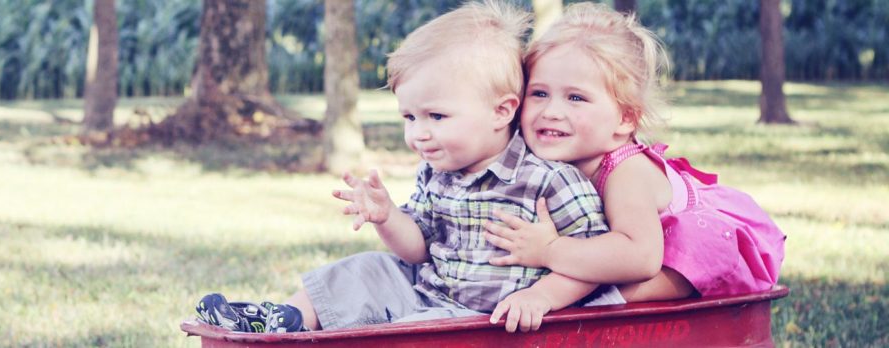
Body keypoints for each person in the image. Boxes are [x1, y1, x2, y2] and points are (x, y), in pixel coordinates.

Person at [195, 0, 616, 334]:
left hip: (483, 323)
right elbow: (417, 248)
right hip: (425, 292)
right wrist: (388, 218)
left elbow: (595, 266)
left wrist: (542, 296)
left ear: (501, 111)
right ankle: (286, 318)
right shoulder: (437, 170)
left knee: (411, 333)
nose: (418, 134)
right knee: (367, 267)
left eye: (436, 117)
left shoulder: (549, 180)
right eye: (409, 118)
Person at [483, 2, 785, 304]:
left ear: (625, 119)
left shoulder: (626, 174)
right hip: (637, 247)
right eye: (539, 93)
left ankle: (605, 303)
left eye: (576, 97)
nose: (551, 111)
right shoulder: (549, 158)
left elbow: (640, 257)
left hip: (701, 251)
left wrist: (550, 250)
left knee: (635, 276)